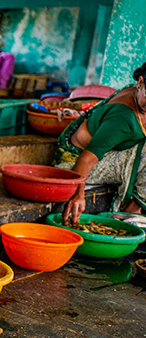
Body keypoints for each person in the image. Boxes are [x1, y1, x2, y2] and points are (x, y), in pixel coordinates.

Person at [55, 62, 146, 225]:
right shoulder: (123, 120)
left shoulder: (136, 92)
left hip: (105, 153)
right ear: (140, 82)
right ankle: (133, 208)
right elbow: (85, 159)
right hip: (74, 164)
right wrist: (77, 195)